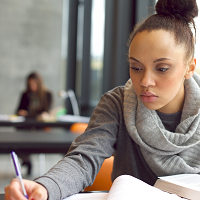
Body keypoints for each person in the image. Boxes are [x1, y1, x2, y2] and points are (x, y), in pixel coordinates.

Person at [5, 0, 200, 199]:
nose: (145, 81)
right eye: (136, 67)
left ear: (189, 68)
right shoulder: (117, 103)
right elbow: (84, 158)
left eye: (162, 69)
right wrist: (46, 187)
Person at [15, 72, 53, 175]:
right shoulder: (25, 95)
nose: (32, 86)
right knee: (15, 141)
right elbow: (18, 111)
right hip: (25, 127)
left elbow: (45, 113)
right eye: (30, 84)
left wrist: (28, 114)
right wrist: (30, 114)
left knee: (26, 140)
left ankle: (26, 160)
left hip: (39, 128)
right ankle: (27, 161)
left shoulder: (47, 95)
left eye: (34, 84)